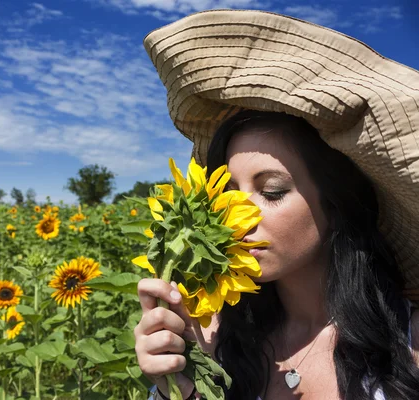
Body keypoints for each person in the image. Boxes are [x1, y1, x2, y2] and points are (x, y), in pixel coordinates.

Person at [134, 9, 419, 400]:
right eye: (228, 191)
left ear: (335, 205)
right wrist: (177, 388)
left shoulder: (408, 345)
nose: (235, 216)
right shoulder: (212, 336)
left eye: (271, 191)